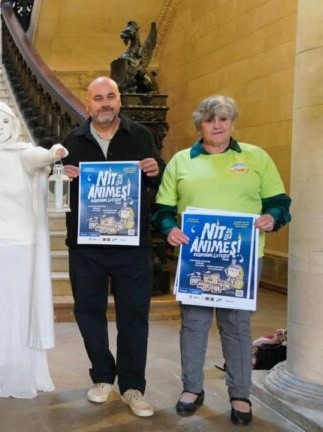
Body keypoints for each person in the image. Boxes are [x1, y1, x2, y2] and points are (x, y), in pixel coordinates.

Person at [152, 95, 290, 426]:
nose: (218, 125)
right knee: (194, 325)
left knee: (237, 326)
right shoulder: (182, 161)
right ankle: (191, 389)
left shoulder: (256, 157)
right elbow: (163, 210)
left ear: (232, 123)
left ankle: (240, 393)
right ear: (200, 124)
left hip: (241, 260)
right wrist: (170, 229)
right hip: (196, 261)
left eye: (224, 119)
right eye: (211, 119)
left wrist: (272, 218)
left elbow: (279, 202)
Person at [60, 77, 163, 417]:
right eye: (97, 98)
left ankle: (133, 386)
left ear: (119, 101)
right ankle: (102, 376)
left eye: (110, 97)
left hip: (132, 247)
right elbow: (55, 195)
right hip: (86, 246)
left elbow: (158, 186)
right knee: (88, 313)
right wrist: (62, 178)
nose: (104, 103)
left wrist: (153, 171)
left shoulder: (142, 136)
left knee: (134, 315)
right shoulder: (71, 141)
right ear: (88, 104)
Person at [0, 100, 66, 398]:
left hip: (21, 245)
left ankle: (19, 368)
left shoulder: (23, 153)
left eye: (4, 122)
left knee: (18, 311)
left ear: (15, 125)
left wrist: (54, 151)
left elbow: (39, 156)